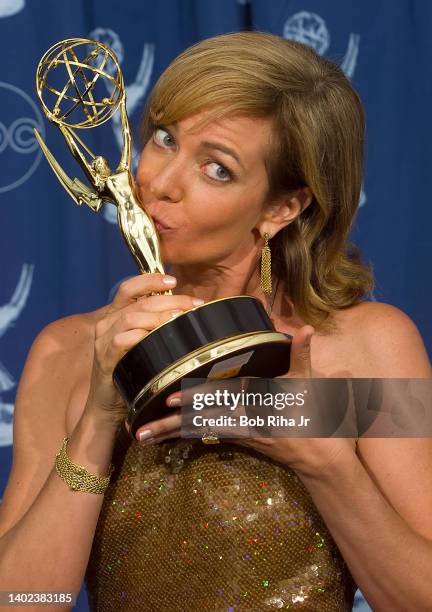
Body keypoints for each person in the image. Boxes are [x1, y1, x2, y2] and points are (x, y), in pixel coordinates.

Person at [0, 31, 431, 612]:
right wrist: (100, 419)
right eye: (163, 138)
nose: (160, 184)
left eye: (217, 170)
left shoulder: (367, 349)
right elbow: (22, 601)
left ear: (283, 208)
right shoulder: (70, 352)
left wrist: (324, 462)